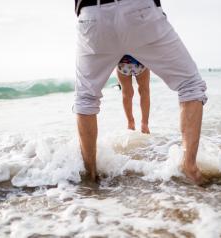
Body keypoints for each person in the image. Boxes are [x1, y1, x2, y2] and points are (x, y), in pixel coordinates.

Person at [74, 0, 208, 185]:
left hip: (92, 15)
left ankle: (90, 175)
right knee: (189, 85)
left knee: (86, 97)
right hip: (138, 10)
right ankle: (189, 166)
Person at [117, 55, 151, 134]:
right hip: (140, 62)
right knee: (144, 92)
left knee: (126, 94)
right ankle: (144, 124)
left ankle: (130, 123)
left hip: (123, 63)